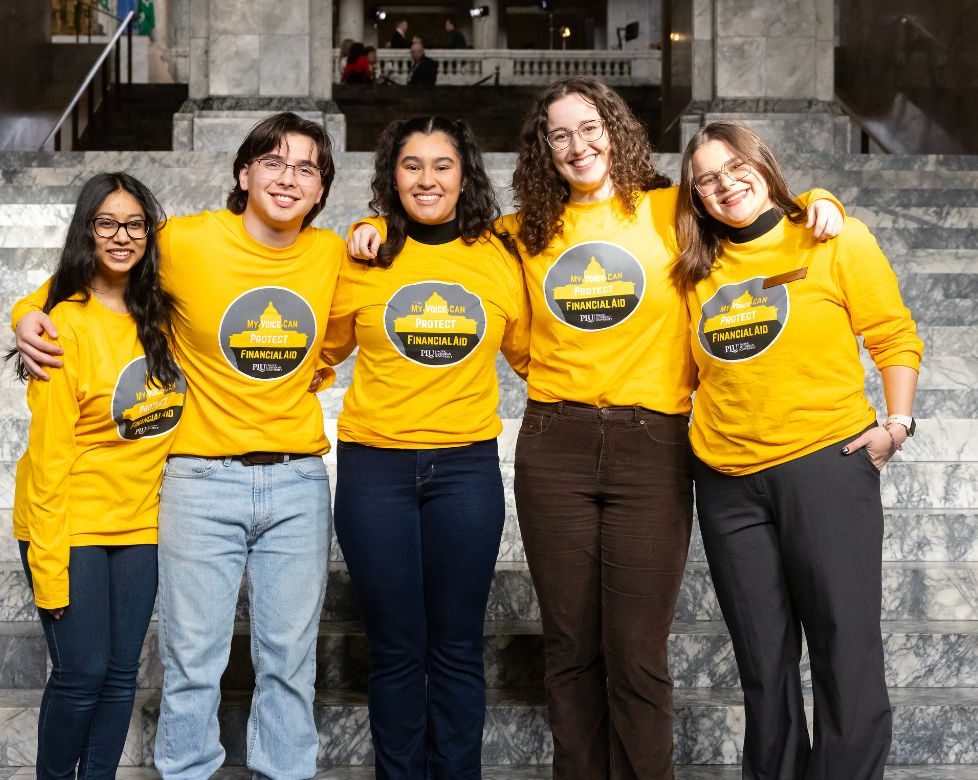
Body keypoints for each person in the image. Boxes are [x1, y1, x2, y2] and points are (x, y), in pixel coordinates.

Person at [347, 77, 845, 779]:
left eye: (590, 127)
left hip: (654, 446)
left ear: (616, 129)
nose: (577, 144)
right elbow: (444, 251)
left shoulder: (673, 209)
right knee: (571, 648)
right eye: (559, 134)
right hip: (557, 445)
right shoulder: (521, 231)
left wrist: (821, 202)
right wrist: (369, 227)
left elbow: (757, 209)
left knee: (637, 653)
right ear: (542, 148)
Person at [13, 113, 344, 780]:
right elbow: (99, 264)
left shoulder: (334, 254)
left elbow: (346, 327)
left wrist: (323, 363)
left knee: (290, 661)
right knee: (191, 661)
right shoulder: (183, 241)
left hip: (296, 481)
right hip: (200, 481)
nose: (288, 177)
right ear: (243, 173)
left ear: (322, 189)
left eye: (306, 167)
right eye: (273, 162)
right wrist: (25, 312)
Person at [675, 122, 921, 778]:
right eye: (706, 178)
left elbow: (893, 335)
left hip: (825, 467)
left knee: (845, 651)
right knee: (763, 662)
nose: (724, 184)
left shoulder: (832, 238)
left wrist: (897, 424)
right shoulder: (694, 270)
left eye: (734, 168)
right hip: (727, 481)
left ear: (763, 166)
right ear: (695, 196)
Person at [324, 116, 528, 779]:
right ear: (392, 176)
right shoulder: (365, 253)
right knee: (395, 646)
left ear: (465, 173)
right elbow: (314, 352)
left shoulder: (499, 256)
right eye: (412, 165)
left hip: (465, 469)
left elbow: (536, 355)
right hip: (373, 470)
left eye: (442, 164)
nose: (427, 178)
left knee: (457, 646)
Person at [9, 172, 184, 779]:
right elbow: (50, 462)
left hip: (138, 528)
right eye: (106, 222)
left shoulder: (161, 314)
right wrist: (50, 575)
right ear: (87, 230)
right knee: (81, 675)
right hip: (71, 526)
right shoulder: (63, 328)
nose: (121, 236)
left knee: (118, 677)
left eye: (134, 224)